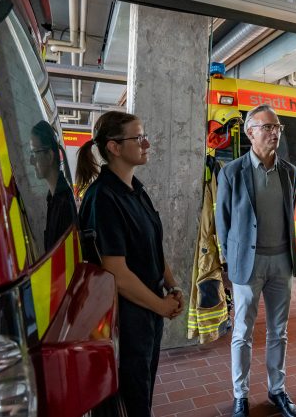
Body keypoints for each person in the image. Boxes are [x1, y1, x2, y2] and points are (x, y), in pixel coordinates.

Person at [76, 111, 183, 417]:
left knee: (143, 389)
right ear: (114, 147)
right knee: (130, 399)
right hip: (126, 317)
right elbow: (117, 274)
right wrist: (160, 306)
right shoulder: (103, 199)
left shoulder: (137, 191)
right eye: (137, 138)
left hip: (148, 312)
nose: (146, 143)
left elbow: (154, 247)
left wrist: (172, 285)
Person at [215, 104, 296, 417]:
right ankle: (241, 395)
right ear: (250, 132)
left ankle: (277, 390)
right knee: (242, 333)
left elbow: (288, 213)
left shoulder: (289, 172)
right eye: (267, 127)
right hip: (247, 265)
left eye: (277, 127)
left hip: (281, 263)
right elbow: (222, 222)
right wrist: (228, 262)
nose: (274, 133)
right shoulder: (232, 172)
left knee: (279, 331)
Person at [29, 120, 76, 251]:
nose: (31, 161)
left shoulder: (63, 202)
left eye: (34, 152)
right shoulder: (54, 197)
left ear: (49, 156)